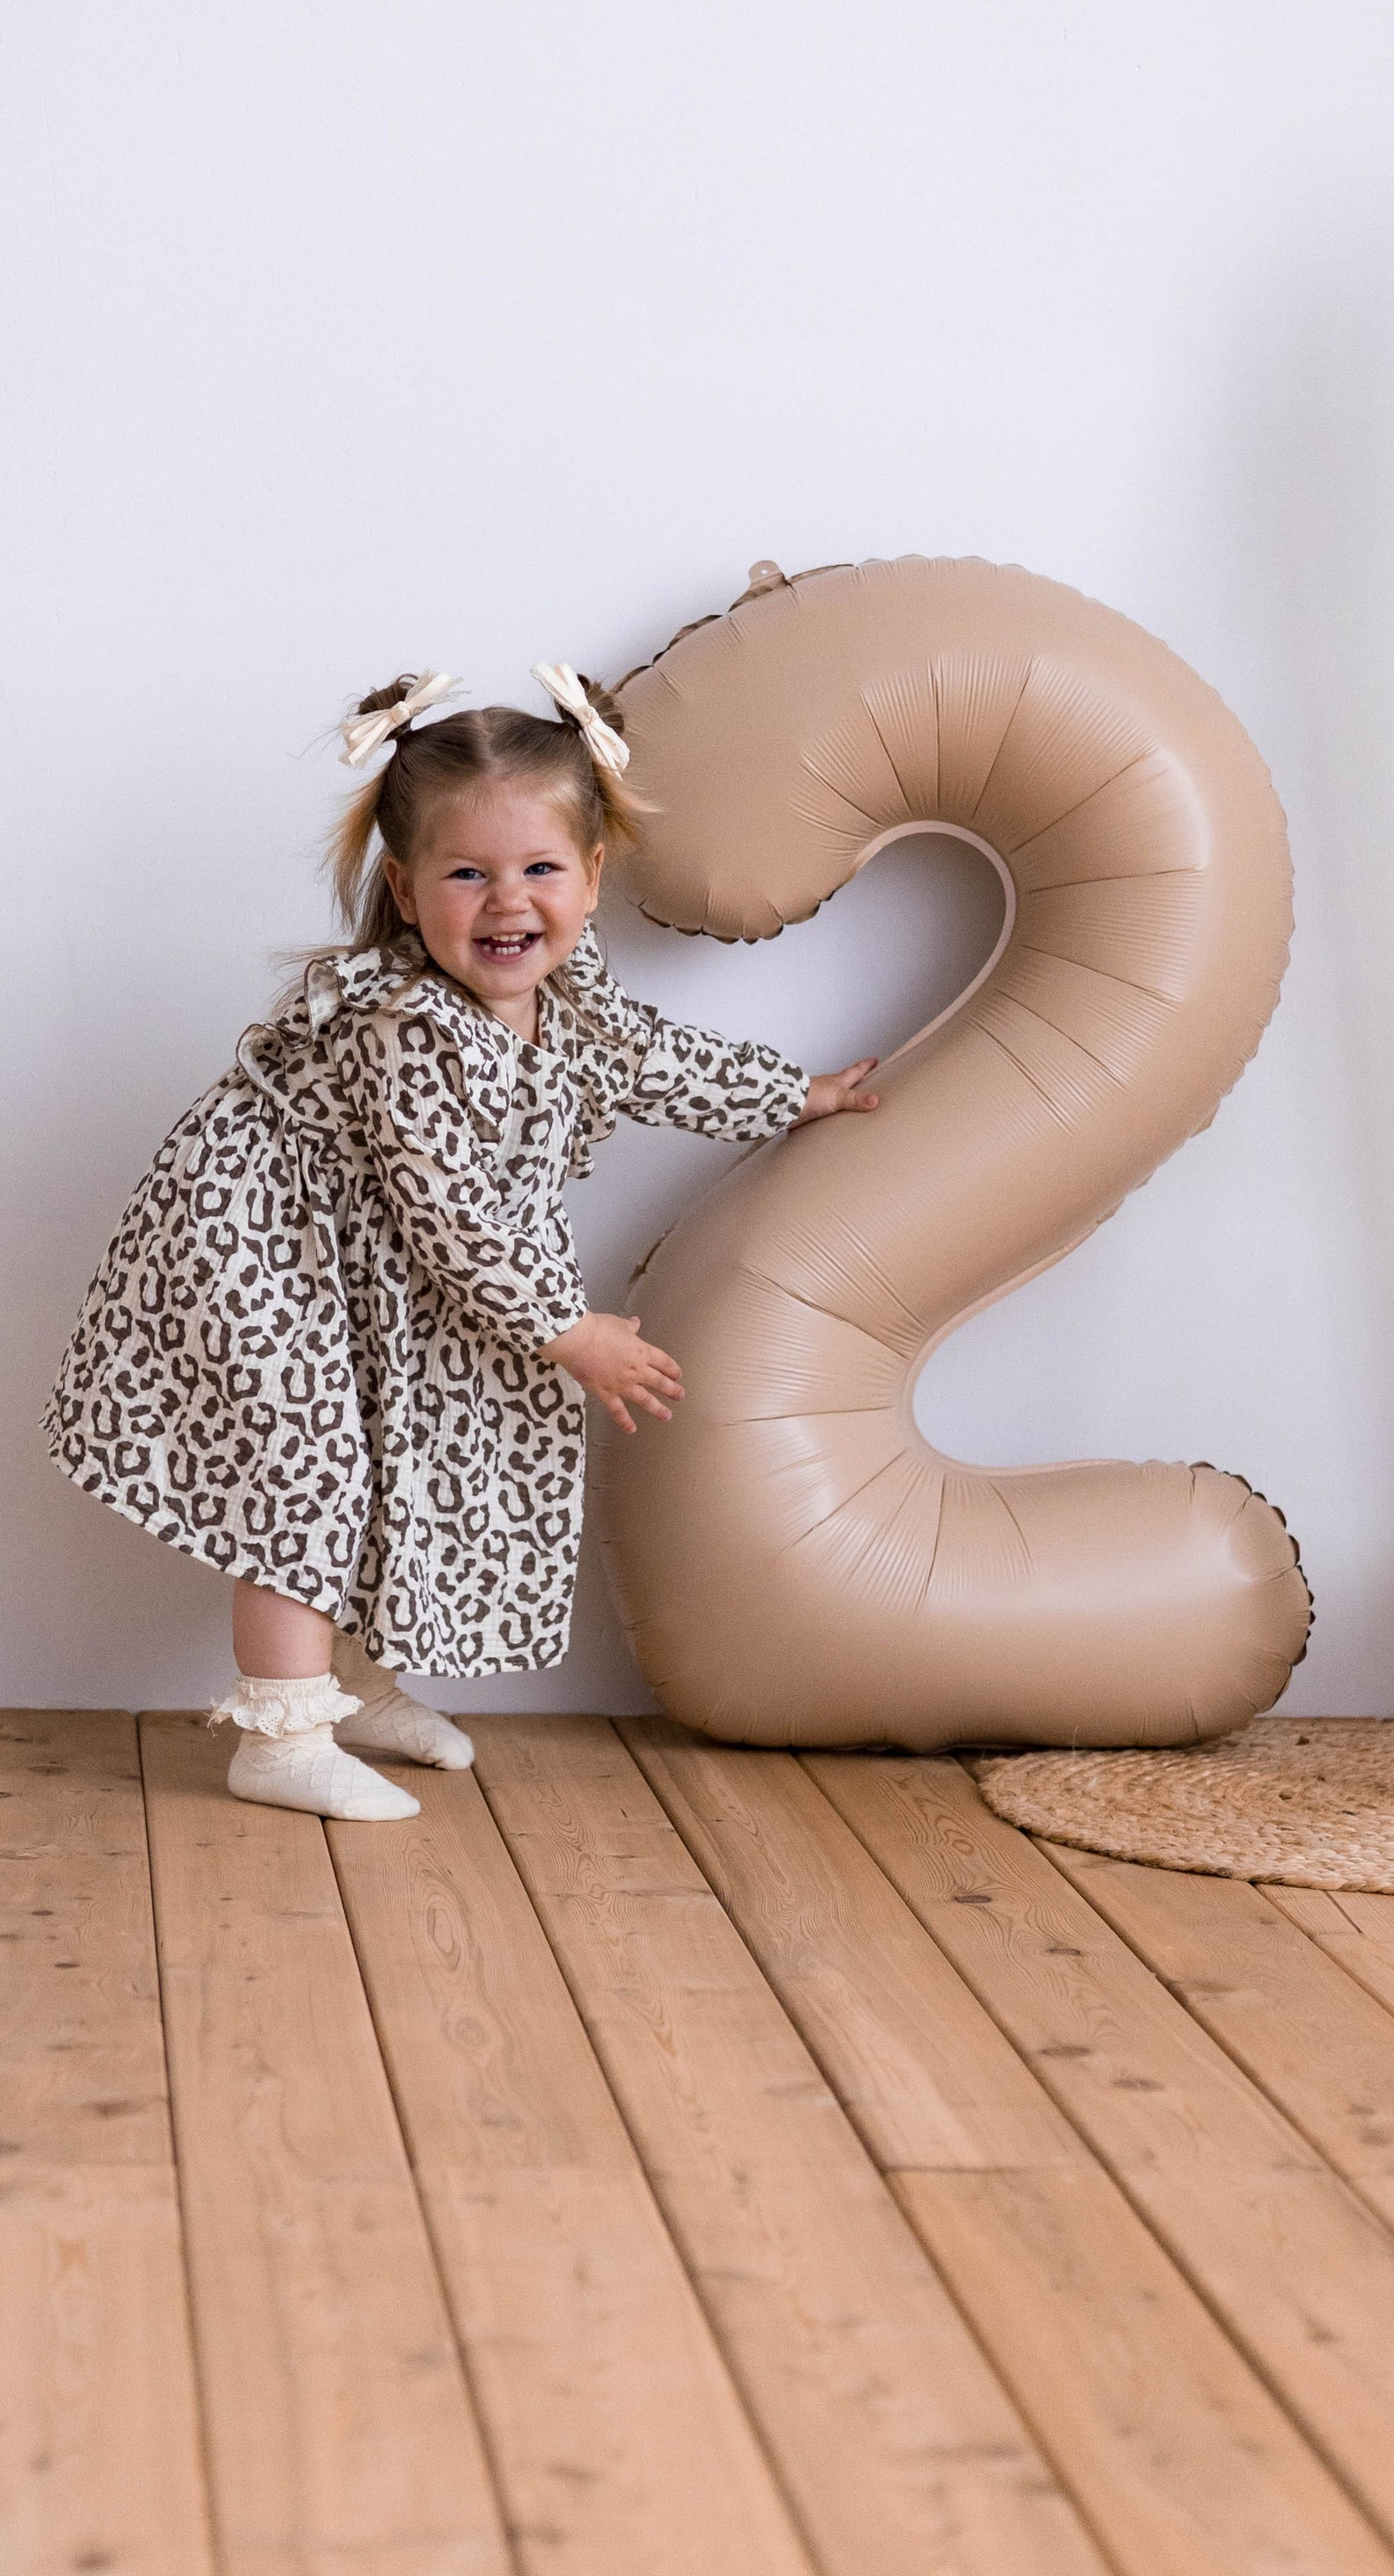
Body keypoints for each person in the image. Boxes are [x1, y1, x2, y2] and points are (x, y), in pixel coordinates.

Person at [45, 662, 880, 1820]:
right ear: (403, 888)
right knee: (309, 1470)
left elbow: (649, 1056)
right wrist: (567, 1329)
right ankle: (278, 1736)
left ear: (591, 878)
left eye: (539, 869)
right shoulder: (408, 1028)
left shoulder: (572, 991)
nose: (506, 904)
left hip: (355, 1262)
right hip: (256, 1253)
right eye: (466, 874)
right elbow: (457, 1215)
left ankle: (352, 1680)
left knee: (392, 1459)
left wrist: (799, 1095)